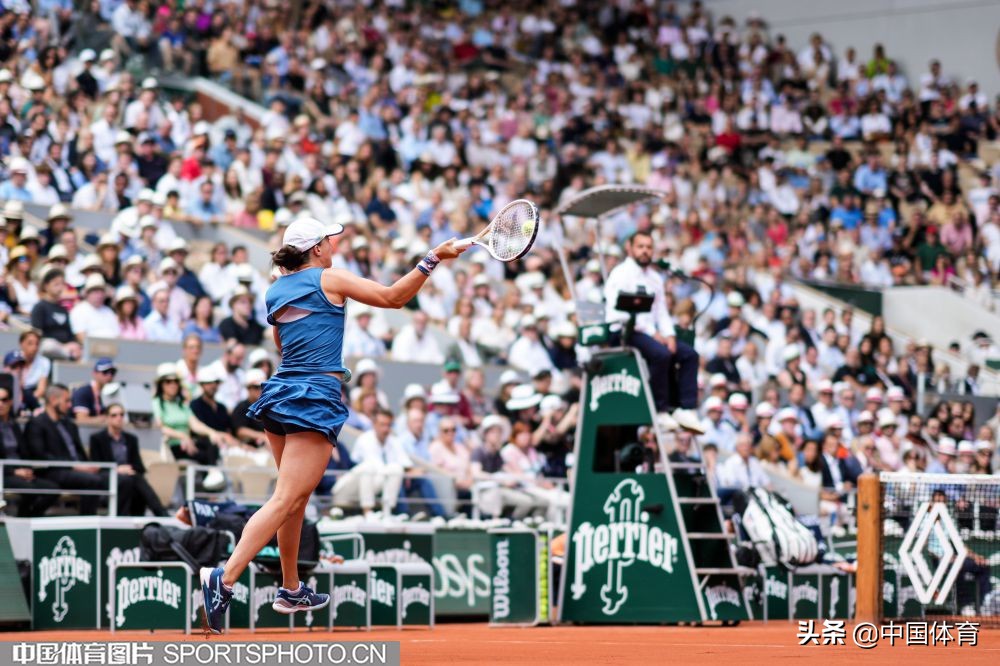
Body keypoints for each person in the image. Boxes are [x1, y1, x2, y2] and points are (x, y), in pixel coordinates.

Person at [200, 216, 464, 633]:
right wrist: (433, 258)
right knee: (286, 498)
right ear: (318, 248)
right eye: (329, 239)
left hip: (279, 395)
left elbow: (283, 344)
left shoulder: (274, 291)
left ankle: (290, 587)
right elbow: (394, 298)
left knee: (295, 500)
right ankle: (224, 577)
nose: (334, 245)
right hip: (311, 399)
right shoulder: (330, 278)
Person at [604, 231, 699, 413]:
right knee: (661, 354)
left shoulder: (655, 278)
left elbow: (661, 311)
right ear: (629, 248)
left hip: (649, 332)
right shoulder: (620, 274)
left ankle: (687, 408)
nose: (645, 251)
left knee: (689, 354)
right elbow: (621, 312)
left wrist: (669, 334)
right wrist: (654, 333)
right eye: (640, 246)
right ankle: (660, 408)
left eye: (649, 247)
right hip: (624, 331)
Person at [25, 385, 105, 515]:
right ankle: (87, 523)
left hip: (78, 470)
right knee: (94, 481)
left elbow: (79, 452)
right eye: (66, 401)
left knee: (115, 479)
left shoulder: (69, 424)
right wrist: (75, 467)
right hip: (53, 471)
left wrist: (86, 466)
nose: (70, 405)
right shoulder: (36, 424)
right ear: (53, 400)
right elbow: (40, 455)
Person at [89, 404, 168, 517]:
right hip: (108, 476)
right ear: (107, 418)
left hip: (129, 477)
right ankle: (161, 513)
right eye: (114, 415)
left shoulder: (131, 439)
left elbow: (139, 466)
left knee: (134, 480)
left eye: (122, 414)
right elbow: (96, 464)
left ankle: (127, 517)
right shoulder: (97, 439)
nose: (119, 418)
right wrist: (117, 469)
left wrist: (129, 469)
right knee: (134, 481)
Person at [0, 385, 59, 516]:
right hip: (4, 474)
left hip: (20, 472)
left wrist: (27, 469)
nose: (1, 404)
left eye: (4, 400)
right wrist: (14, 471)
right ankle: (23, 521)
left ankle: (30, 519)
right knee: (30, 490)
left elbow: (23, 452)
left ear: (10, 402)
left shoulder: (13, 425)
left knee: (52, 490)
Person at [71, 357, 118, 426]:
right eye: (105, 372)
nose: (109, 375)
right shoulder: (84, 392)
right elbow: (81, 420)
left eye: (112, 372)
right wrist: (103, 419)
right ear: (95, 373)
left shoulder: (113, 393)